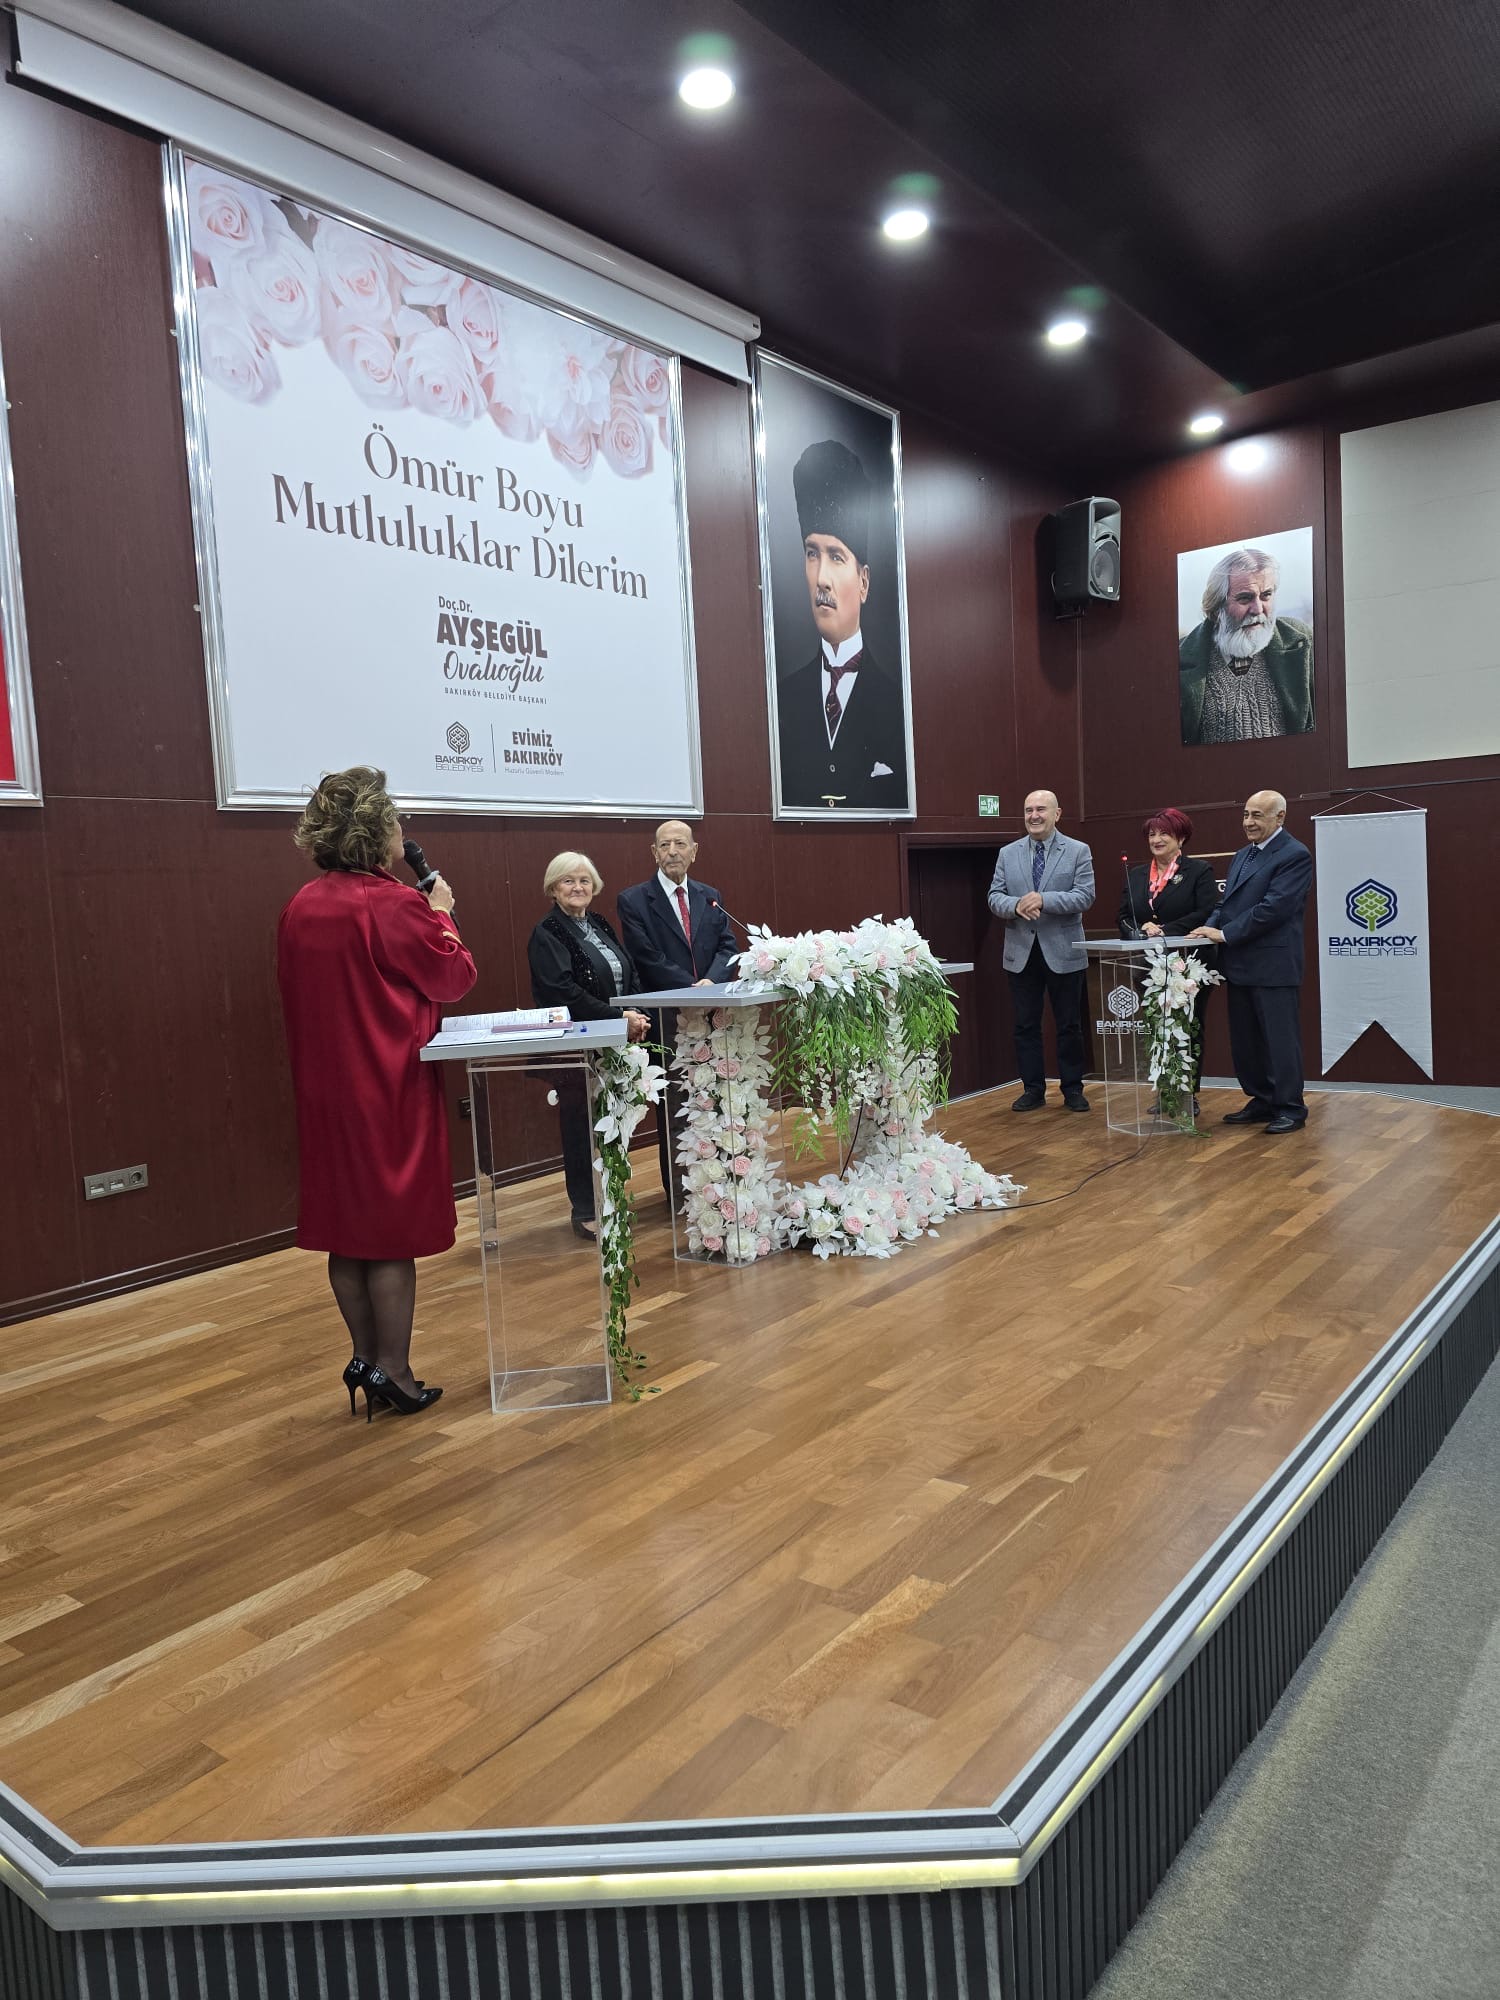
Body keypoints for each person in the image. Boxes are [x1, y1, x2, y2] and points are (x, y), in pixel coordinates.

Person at [277, 766, 475, 1420]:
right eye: (395, 820)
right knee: (390, 1235)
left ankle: (364, 1359)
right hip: (387, 1089)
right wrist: (440, 913)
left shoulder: (302, 905)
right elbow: (453, 976)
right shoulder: (392, 904)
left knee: (348, 1230)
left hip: (325, 1094)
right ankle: (397, 1370)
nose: (401, 831)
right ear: (374, 830)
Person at [776, 438, 909, 812]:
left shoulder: (898, 704)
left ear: (863, 582)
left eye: (836, 557)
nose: (821, 578)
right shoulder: (782, 699)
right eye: (812, 554)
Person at [527, 852, 651, 1239]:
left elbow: (627, 970)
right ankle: (584, 1207)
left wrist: (635, 1013)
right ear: (553, 888)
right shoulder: (547, 932)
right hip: (576, 1046)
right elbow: (562, 991)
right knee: (580, 1127)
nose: (578, 887)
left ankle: (612, 1199)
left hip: (615, 1037)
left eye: (584, 880)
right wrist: (617, 1018)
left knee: (613, 1123)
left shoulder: (598, 923)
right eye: (568, 881)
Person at [617, 820, 739, 1196]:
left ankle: (720, 1184)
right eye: (665, 845)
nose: (673, 851)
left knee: (718, 1095)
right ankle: (681, 1194)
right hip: (668, 1016)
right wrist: (691, 990)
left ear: (694, 851)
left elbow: (727, 946)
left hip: (714, 1013)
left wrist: (711, 983)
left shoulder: (709, 896)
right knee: (676, 1104)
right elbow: (645, 957)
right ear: (654, 853)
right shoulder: (634, 900)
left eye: (680, 844)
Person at [1189, 789, 1313, 1133]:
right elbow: (1226, 904)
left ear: (1280, 817)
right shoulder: (1243, 855)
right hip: (1239, 964)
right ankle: (1262, 1100)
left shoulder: (1295, 854)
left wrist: (1223, 934)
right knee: (1246, 1042)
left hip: (1274, 967)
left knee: (1279, 1041)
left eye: (1257, 815)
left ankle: (1290, 1108)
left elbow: (1274, 909)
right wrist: (1207, 928)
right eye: (1245, 814)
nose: (1248, 822)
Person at [987, 789, 1096, 1111]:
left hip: (1064, 952)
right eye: (1028, 810)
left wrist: (1044, 899)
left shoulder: (1077, 851)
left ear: (1057, 814)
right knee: (1025, 1026)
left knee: (1069, 1025)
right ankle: (1032, 1090)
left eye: (1041, 810)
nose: (1034, 816)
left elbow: (1085, 896)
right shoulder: (1008, 853)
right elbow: (994, 897)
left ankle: (1073, 1090)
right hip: (1021, 953)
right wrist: (1016, 905)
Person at [1118, 805, 1220, 1106]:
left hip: (1189, 963)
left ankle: (1188, 1094)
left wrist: (1165, 930)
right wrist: (1140, 930)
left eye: (1164, 834)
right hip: (1148, 964)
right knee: (1157, 1027)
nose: (1156, 839)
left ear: (1181, 838)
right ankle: (1165, 1091)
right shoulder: (1137, 875)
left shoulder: (1198, 871)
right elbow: (1124, 916)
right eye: (1152, 834)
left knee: (1188, 1026)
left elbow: (1206, 911)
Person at [1179, 547, 1315, 746]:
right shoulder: (1181, 658)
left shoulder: (1301, 641)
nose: (1258, 609)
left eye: (1266, 595)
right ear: (1216, 608)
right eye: (1245, 598)